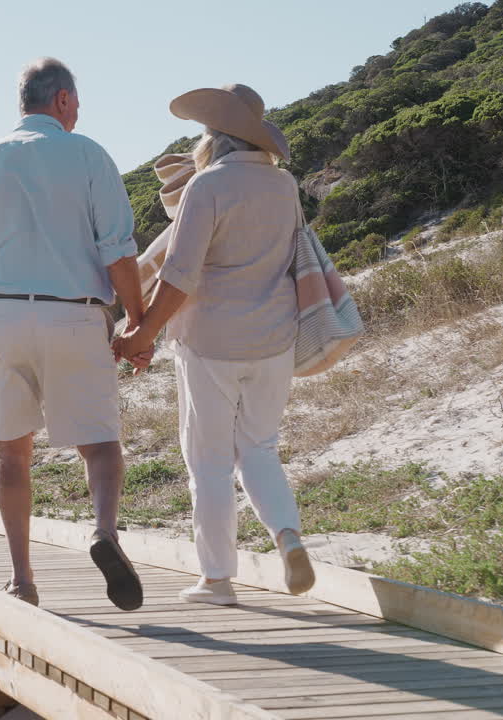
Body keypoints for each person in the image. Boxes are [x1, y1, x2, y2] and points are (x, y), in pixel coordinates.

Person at [0, 58, 145, 610]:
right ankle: (104, 530)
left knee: (13, 454)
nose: (78, 112)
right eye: (75, 102)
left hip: (3, 316)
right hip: (75, 313)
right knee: (99, 444)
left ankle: (23, 580)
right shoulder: (88, 154)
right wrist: (139, 320)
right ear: (60, 100)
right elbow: (118, 249)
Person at [113, 84, 315, 605]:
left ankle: (218, 579)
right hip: (274, 337)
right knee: (260, 448)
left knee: (208, 460)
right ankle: (287, 536)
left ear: (213, 136)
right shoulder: (283, 185)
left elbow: (179, 275)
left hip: (211, 342)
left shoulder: (207, 187)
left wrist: (144, 332)